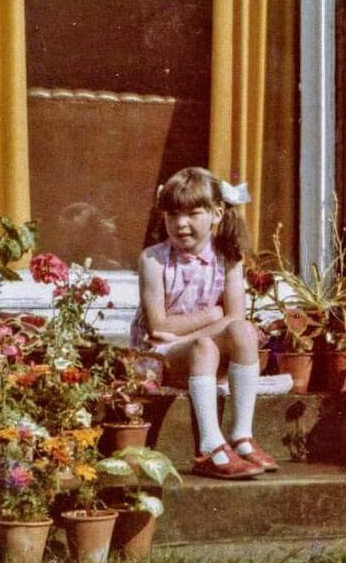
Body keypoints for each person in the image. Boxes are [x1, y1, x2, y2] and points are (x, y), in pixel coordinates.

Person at [130, 167, 278, 479]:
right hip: (161, 360)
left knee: (242, 330)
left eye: (193, 213)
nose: (181, 224)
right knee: (204, 345)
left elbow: (235, 320)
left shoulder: (228, 258)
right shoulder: (153, 260)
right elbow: (158, 327)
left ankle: (241, 437)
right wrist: (213, 316)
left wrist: (207, 323)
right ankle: (211, 447)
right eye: (172, 214)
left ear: (216, 213)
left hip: (203, 354)